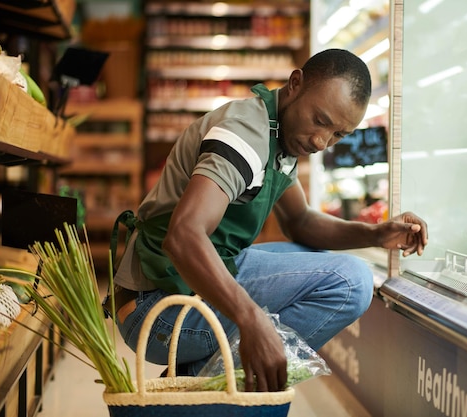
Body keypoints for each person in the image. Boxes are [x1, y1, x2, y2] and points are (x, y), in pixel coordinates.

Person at [109, 48, 428, 393]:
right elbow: (184, 236)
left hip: (181, 286)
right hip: (157, 306)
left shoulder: (281, 131)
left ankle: (200, 384)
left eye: (338, 135)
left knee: (325, 263)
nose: (322, 141)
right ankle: (213, 387)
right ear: (295, 84)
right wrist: (252, 321)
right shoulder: (246, 136)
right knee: (351, 281)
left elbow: (300, 222)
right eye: (319, 120)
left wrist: (376, 233)